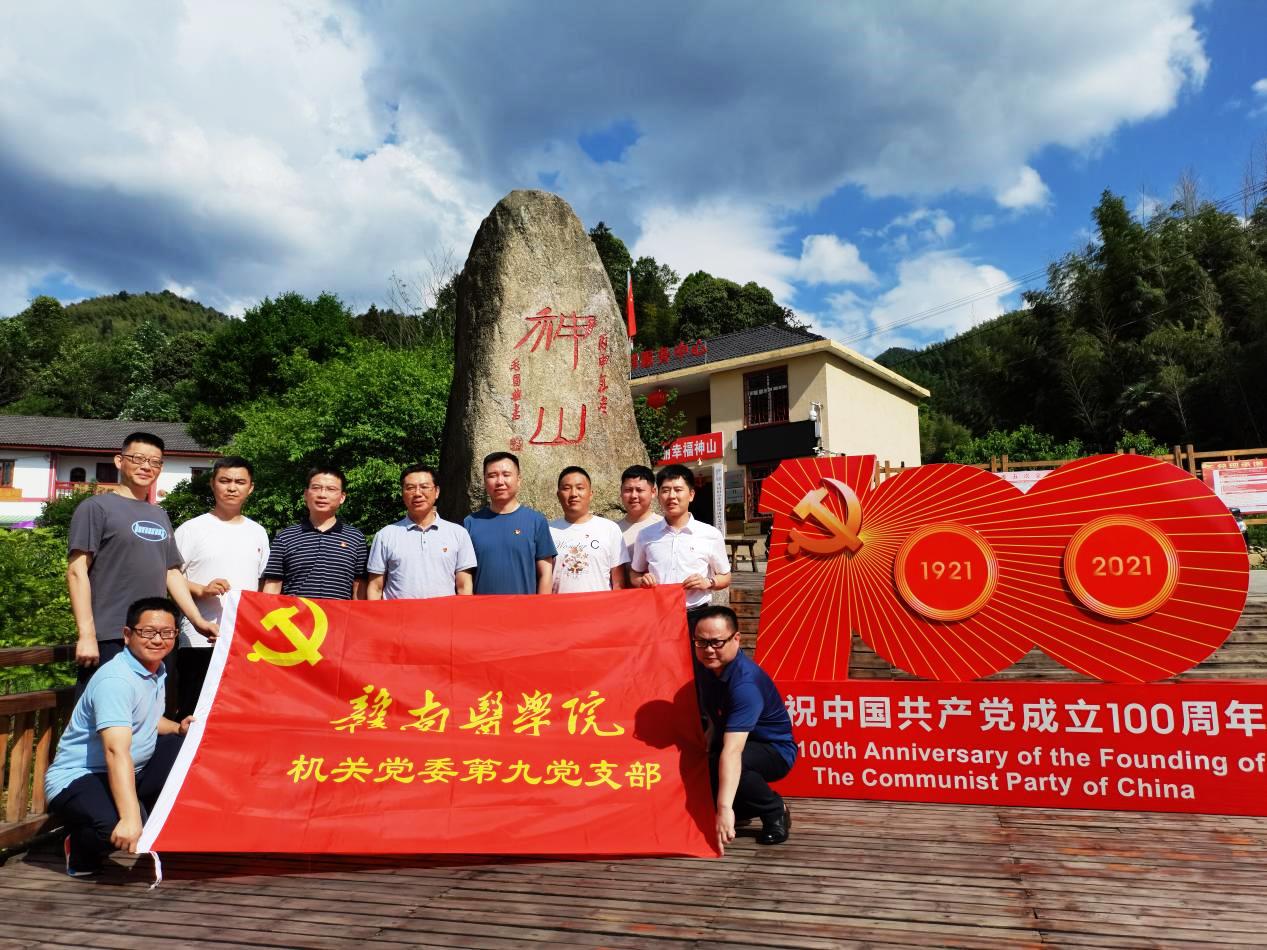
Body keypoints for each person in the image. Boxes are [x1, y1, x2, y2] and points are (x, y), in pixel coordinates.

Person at [45, 597, 194, 877]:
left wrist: (177, 729)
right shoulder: (116, 680)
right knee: (115, 827)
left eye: (167, 632)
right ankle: (79, 849)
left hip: (132, 770)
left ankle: (141, 814)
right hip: (81, 776)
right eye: (147, 631)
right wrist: (129, 817)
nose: (157, 639)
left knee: (185, 746)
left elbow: (148, 719)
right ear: (127, 634)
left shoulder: (155, 670)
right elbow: (115, 751)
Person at [67, 432, 217, 696]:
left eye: (154, 462)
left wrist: (197, 620)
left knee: (149, 714)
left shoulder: (159, 514)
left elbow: (171, 572)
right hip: (111, 635)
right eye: (138, 458)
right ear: (119, 461)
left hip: (155, 636)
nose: (146, 466)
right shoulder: (96, 507)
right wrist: (87, 634)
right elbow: (77, 571)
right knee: (107, 713)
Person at [691, 605, 796, 853]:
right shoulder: (706, 667)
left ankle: (774, 810)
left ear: (736, 639)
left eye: (717, 642)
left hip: (774, 750)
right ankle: (743, 809)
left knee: (725, 764)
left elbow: (733, 752)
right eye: (701, 642)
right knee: (697, 763)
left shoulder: (745, 684)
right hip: (731, 742)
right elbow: (713, 710)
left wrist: (723, 809)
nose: (708, 650)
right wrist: (709, 733)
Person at [173, 456, 270, 718]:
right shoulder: (191, 529)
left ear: (250, 488)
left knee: (238, 717)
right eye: (225, 481)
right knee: (194, 716)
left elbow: (261, 585)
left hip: (243, 642)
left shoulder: (258, 532)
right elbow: (169, 578)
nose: (232, 488)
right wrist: (201, 590)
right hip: (199, 640)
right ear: (212, 484)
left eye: (240, 482)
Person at [630, 463, 731, 629]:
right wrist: (642, 580)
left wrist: (708, 582)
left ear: (691, 494)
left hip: (697, 616)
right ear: (658, 495)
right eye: (665, 490)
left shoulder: (711, 534)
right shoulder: (645, 535)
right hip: (657, 615)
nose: (671, 496)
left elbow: (725, 577)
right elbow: (634, 574)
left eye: (678, 490)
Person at [367, 464, 477, 599]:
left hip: (444, 612)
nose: (418, 493)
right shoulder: (385, 535)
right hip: (398, 612)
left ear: (437, 492)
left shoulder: (458, 533)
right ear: (403, 493)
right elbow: (375, 588)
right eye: (410, 488)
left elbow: (464, 586)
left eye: (424, 487)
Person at [262, 466, 368, 600]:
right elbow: (272, 586)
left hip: (339, 613)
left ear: (342, 497)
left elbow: (359, 589)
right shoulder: (285, 537)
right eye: (316, 488)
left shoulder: (356, 538)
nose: (322, 495)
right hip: (296, 613)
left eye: (331, 489)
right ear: (306, 494)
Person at [463, 452, 556, 595]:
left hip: (524, 607)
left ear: (518, 480)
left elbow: (546, 574)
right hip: (482, 607)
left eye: (506, 475)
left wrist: (541, 606)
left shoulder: (536, 521)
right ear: (485, 481)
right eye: (492, 476)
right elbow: (465, 576)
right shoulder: (471, 522)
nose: (500, 481)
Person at [549, 466, 628, 593]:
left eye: (580, 488)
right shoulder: (548, 531)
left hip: (599, 605)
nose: (573, 494)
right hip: (559, 605)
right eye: (566, 488)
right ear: (558, 495)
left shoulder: (610, 529)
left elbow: (619, 584)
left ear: (591, 494)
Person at [616, 464, 663, 569]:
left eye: (639, 490)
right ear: (621, 492)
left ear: (653, 492)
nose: (633, 495)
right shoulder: (613, 529)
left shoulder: (664, 526)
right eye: (628, 490)